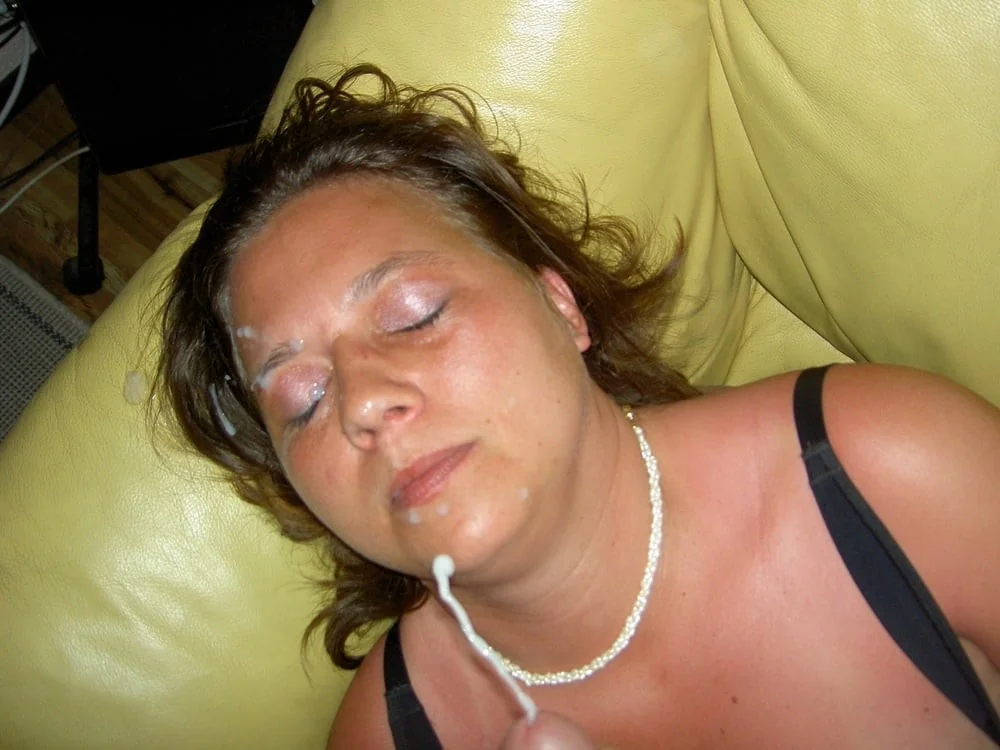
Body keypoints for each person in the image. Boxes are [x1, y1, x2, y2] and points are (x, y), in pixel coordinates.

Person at [158, 64, 1000, 749]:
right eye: (304, 400)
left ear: (560, 305)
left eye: (414, 314)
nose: (364, 404)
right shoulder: (390, 735)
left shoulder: (889, 471)